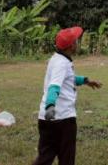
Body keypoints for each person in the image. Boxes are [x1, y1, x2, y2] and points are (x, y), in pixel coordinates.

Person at [33, 26, 103, 165]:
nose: (78, 43)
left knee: (45, 157)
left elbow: (68, 79)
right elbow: (54, 86)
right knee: (67, 157)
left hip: (46, 120)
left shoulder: (57, 59)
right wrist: (51, 106)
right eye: (76, 41)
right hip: (62, 119)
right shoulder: (62, 64)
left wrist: (85, 80)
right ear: (71, 46)